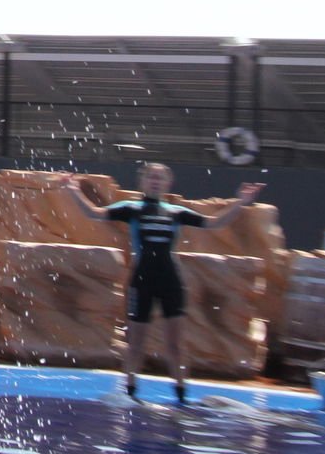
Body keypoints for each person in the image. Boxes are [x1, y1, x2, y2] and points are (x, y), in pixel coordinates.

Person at [59, 164, 264, 404]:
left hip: (171, 282)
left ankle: (181, 395)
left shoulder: (176, 212)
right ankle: (130, 393)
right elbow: (94, 212)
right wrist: (72, 190)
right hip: (141, 281)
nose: (155, 181)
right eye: (150, 177)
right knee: (136, 343)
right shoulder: (131, 209)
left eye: (160, 178)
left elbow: (213, 223)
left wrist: (241, 202)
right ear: (142, 182)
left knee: (175, 344)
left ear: (168, 183)